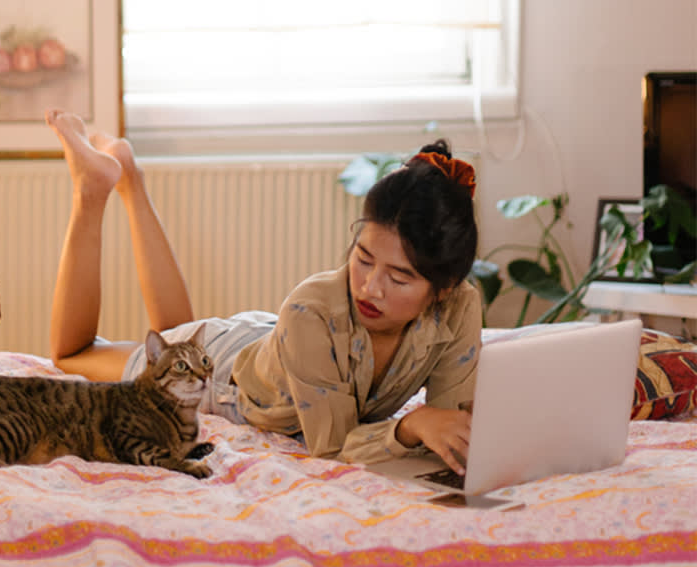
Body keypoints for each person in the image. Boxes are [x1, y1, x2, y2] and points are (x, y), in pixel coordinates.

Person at [46, 109, 481, 473]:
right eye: (363, 258)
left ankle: (130, 178)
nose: (370, 287)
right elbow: (331, 448)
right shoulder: (313, 309)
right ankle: (91, 191)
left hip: (278, 345)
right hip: (235, 376)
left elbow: (450, 422)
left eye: (399, 278)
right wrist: (410, 427)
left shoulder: (462, 307)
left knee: (178, 332)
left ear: (443, 290)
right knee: (74, 354)